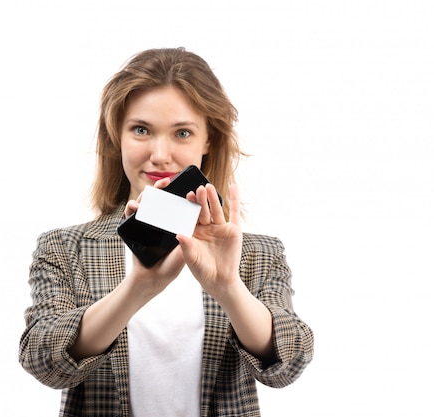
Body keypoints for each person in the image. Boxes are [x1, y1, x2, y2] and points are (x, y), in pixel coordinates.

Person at [19, 47, 314, 416]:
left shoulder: (257, 253)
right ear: (117, 137)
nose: (160, 154)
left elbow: (289, 363)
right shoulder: (65, 248)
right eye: (141, 130)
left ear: (208, 140)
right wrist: (136, 289)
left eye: (182, 132)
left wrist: (229, 288)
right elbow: (42, 361)